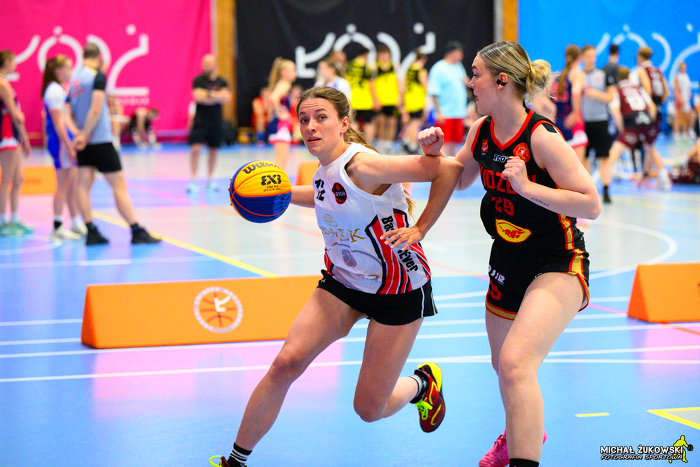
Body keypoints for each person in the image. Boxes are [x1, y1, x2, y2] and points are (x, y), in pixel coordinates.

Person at [213, 85, 464, 467]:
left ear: (344, 123)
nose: (310, 126)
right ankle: (235, 462)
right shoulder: (324, 169)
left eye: (321, 118)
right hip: (344, 282)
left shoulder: (364, 166)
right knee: (285, 363)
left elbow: (448, 169)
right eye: (304, 119)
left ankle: (421, 385)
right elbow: (324, 192)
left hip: (398, 288)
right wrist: (271, 194)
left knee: (368, 409)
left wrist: (422, 227)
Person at [400, 41, 601, 467]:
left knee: (515, 362)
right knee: (503, 365)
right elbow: (458, 179)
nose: (470, 82)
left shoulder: (541, 136)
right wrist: (434, 157)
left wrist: (527, 187)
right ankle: (520, 433)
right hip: (507, 258)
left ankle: (522, 453)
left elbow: (590, 203)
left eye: (476, 74)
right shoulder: (481, 131)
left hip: (557, 258)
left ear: (502, 81)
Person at [68, 43, 161, 245]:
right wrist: (86, 133)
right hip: (100, 139)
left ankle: (91, 231)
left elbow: (67, 112)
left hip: (83, 142)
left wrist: (78, 134)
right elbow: (95, 109)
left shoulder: (74, 80)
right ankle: (136, 230)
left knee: (83, 185)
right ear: (99, 57)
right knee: (118, 185)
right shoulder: (97, 76)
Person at [42, 54, 85, 241]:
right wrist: (68, 145)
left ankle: (75, 222)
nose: (71, 71)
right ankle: (58, 225)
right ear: (58, 71)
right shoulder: (54, 91)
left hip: (65, 140)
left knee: (72, 184)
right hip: (60, 143)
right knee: (63, 185)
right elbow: (59, 123)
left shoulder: (60, 89)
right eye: (68, 67)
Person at [608, 66, 671, 192]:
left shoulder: (617, 91)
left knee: (616, 149)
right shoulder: (638, 88)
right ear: (629, 77)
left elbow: (615, 112)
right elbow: (652, 107)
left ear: (617, 78)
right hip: (646, 121)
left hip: (631, 123)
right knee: (651, 148)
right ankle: (664, 179)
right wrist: (650, 122)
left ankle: (601, 178)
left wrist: (622, 130)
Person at [188, 54, 232, 192]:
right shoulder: (198, 80)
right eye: (204, 64)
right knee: (196, 149)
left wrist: (208, 95)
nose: (205, 66)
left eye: (208, 64)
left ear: (215, 65)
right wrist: (216, 96)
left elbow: (226, 97)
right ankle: (193, 179)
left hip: (216, 121)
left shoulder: (222, 81)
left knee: (213, 150)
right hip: (200, 120)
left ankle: (211, 179)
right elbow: (198, 97)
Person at [0, 50, 32, 237]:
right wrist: (25, 138)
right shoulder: (2, 84)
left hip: (13, 134)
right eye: (13, 61)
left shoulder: (5, 83)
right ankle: (3, 222)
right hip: (7, 134)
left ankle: (14, 218)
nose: (16, 65)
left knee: (18, 178)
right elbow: (15, 114)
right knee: (6, 179)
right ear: (6, 63)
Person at [580, 44, 615, 203]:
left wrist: (595, 94)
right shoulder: (578, 76)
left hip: (600, 120)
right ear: (582, 57)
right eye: (588, 56)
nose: (591, 59)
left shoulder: (603, 75)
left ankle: (606, 190)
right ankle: (587, 189)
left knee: (603, 157)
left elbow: (611, 97)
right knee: (584, 157)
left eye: (594, 56)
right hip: (583, 121)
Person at [427, 41, 469, 157]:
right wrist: (438, 112)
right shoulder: (438, 68)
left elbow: (464, 83)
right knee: (444, 143)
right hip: (445, 113)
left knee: (456, 144)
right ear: (453, 53)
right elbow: (434, 92)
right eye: (460, 52)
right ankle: (442, 165)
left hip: (458, 113)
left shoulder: (458, 66)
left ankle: (452, 164)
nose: (462, 56)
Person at [551, 45, 589, 170]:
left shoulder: (558, 76)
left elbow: (546, 97)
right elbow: (576, 92)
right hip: (573, 122)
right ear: (580, 57)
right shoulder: (577, 73)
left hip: (558, 121)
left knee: (562, 165)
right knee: (578, 167)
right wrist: (575, 113)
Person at [266, 57, 297, 170]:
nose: (295, 73)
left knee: (281, 158)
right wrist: (280, 113)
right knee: (281, 159)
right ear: (283, 72)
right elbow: (273, 98)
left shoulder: (282, 84)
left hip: (280, 124)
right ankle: (277, 179)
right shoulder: (284, 84)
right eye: (292, 70)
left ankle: (277, 178)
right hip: (280, 124)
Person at [372, 44, 402, 154]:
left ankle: (389, 145)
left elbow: (399, 82)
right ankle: (381, 144)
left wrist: (399, 97)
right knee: (380, 123)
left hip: (392, 100)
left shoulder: (394, 67)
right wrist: (375, 99)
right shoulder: (374, 67)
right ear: (378, 55)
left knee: (392, 123)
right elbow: (371, 84)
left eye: (386, 54)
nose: (384, 57)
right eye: (381, 54)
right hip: (381, 100)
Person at [345, 47, 376, 143]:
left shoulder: (348, 66)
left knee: (353, 123)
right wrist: (375, 99)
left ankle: (354, 143)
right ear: (366, 55)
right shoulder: (366, 67)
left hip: (352, 99)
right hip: (365, 100)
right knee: (368, 123)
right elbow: (371, 85)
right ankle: (369, 144)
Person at [401, 51, 429, 153]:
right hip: (417, 101)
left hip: (409, 100)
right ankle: (412, 144)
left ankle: (407, 140)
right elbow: (426, 87)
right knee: (415, 123)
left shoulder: (409, 69)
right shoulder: (421, 71)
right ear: (423, 59)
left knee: (411, 122)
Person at [672, 62, 693, 141]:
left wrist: (689, 93)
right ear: (680, 67)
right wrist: (679, 99)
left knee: (686, 116)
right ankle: (676, 134)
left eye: (685, 66)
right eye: (682, 66)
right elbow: (675, 89)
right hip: (680, 99)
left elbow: (687, 88)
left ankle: (684, 133)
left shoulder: (686, 76)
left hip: (686, 99)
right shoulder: (677, 77)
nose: (684, 68)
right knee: (678, 116)